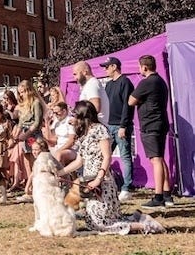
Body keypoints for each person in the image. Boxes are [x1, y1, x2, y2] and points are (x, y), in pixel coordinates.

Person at [57, 101, 164, 235]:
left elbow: (107, 157)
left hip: (103, 184)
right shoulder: (83, 135)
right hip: (90, 185)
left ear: (83, 116)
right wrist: (59, 172)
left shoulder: (100, 130)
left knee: (102, 225)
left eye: (75, 115)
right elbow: (79, 161)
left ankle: (145, 226)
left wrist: (98, 179)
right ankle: (137, 218)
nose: (72, 119)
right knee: (92, 224)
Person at [129, 54, 174, 209]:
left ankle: (158, 196)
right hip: (161, 123)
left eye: (139, 66)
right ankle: (167, 195)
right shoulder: (161, 81)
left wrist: (140, 100)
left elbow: (131, 101)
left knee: (155, 160)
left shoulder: (147, 82)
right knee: (160, 159)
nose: (139, 69)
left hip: (151, 124)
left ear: (144, 67)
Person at [100, 56, 135, 202]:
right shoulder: (108, 85)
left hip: (121, 125)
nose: (105, 69)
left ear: (114, 67)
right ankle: (106, 183)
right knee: (104, 156)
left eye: (107, 67)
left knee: (125, 155)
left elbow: (128, 106)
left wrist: (123, 126)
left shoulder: (125, 82)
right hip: (108, 125)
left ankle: (126, 188)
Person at [14, 79, 44, 203]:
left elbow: (37, 122)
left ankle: (37, 189)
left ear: (28, 90)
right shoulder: (23, 105)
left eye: (22, 92)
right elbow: (21, 122)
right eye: (19, 93)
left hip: (33, 135)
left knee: (36, 162)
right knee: (27, 162)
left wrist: (25, 135)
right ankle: (30, 187)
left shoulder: (36, 102)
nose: (21, 95)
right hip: (25, 135)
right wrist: (16, 134)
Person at [43, 101, 76, 165]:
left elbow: (71, 141)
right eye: (54, 113)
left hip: (70, 149)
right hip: (58, 147)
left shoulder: (70, 121)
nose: (55, 115)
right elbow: (52, 139)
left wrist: (59, 150)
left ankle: (59, 174)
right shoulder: (57, 122)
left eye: (57, 113)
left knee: (59, 155)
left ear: (64, 111)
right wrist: (47, 123)